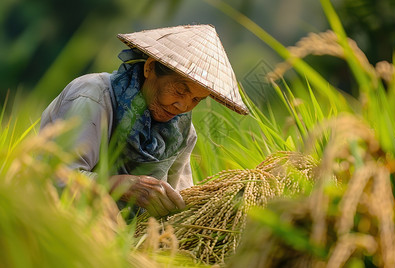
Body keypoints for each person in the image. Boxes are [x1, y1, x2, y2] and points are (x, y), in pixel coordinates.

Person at [40, 24, 249, 218]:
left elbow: (180, 200)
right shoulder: (94, 97)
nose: (183, 106)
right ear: (149, 69)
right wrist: (118, 186)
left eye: (196, 99)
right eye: (179, 90)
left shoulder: (182, 132)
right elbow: (55, 178)